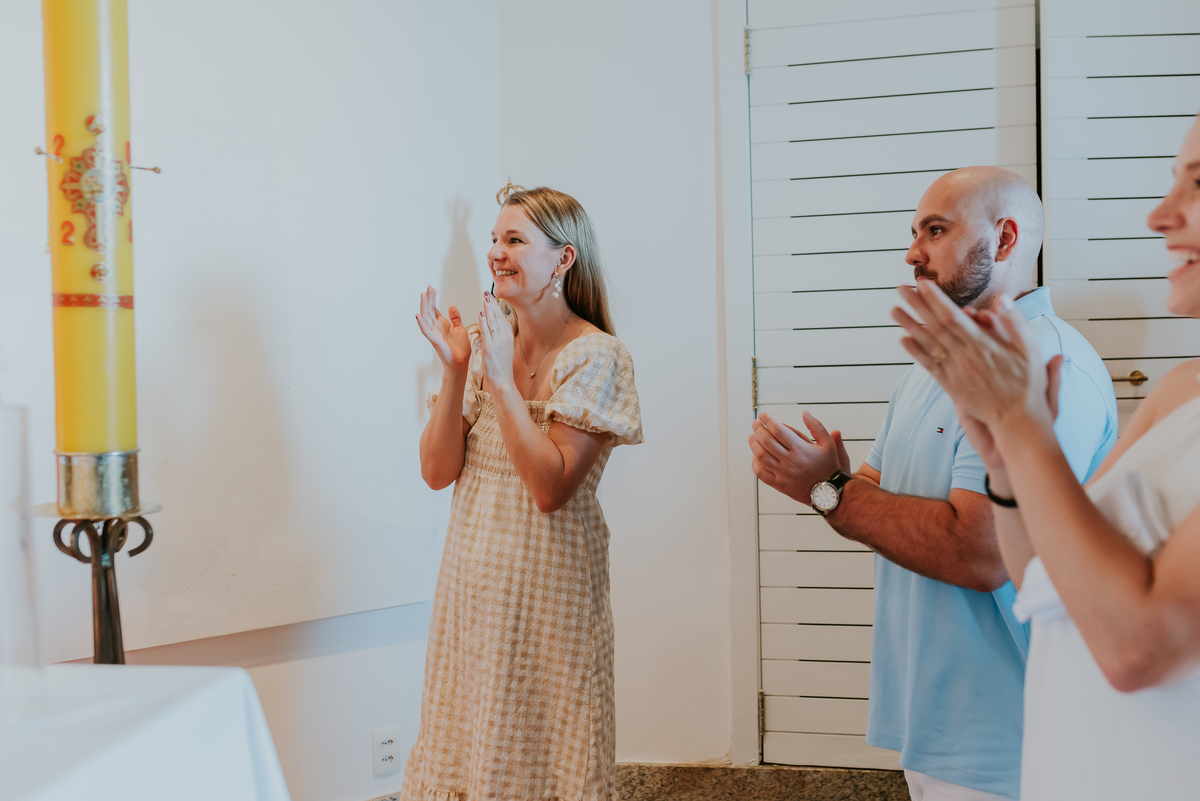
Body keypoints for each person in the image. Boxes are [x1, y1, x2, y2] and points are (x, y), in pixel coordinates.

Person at [750, 167, 1118, 800]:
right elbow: (868, 495)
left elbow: (980, 552)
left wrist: (830, 489)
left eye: (936, 230)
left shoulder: (1044, 364)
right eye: (915, 233)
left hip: (1013, 742)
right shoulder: (930, 369)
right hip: (934, 729)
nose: (912, 253)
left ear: (1005, 238)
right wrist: (826, 483)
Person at [892, 116, 1200, 800]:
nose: (1159, 216)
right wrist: (1007, 463)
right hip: (1077, 756)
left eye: (1198, 184)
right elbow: (1043, 573)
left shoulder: (1062, 359)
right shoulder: (1182, 388)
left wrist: (1021, 430)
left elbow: (1136, 648)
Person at [405, 186, 642, 801]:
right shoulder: (486, 343)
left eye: (514, 240)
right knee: (465, 749)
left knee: (548, 757)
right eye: (494, 239)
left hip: (550, 603)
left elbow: (549, 488)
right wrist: (456, 369)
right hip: (472, 598)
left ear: (564, 259)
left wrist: (504, 381)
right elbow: (436, 471)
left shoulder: (598, 357)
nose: (495, 252)